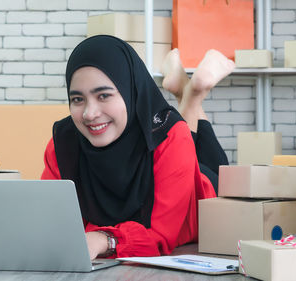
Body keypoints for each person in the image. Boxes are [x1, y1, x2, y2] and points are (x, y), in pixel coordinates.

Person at [41, 35, 234, 260]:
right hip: (165, 154)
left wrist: (105, 239)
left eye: (104, 95)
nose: (89, 113)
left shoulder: (171, 137)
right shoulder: (63, 144)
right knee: (176, 132)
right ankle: (185, 90)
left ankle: (193, 94)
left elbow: (161, 237)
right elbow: (51, 223)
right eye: (77, 99)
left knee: (211, 163)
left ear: (130, 90)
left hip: (201, 191)